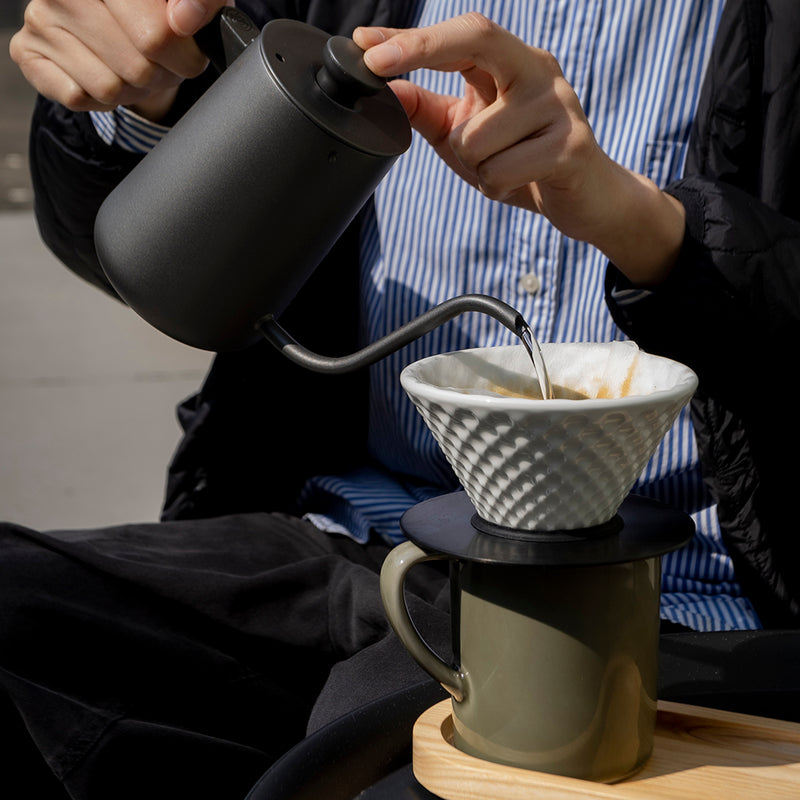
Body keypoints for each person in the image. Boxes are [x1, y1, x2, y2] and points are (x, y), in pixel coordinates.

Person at [4, 0, 799, 797]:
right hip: (341, 536)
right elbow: (137, 254)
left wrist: (656, 232)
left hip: (675, 609)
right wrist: (142, 100)